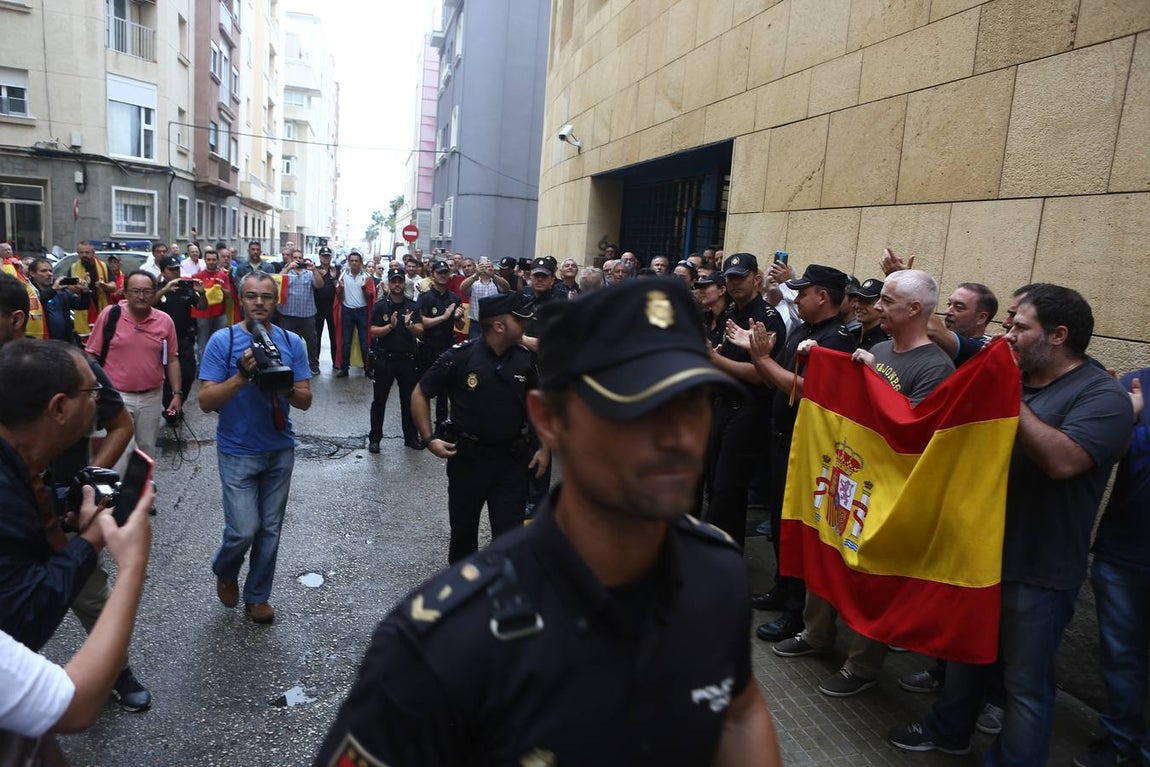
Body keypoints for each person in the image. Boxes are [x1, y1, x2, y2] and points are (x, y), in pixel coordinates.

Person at [313, 278, 781, 767]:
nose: (678, 436)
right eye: (638, 407)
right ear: (551, 420)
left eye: (693, 402)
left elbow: (739, 713)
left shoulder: (716, 572)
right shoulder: (444, 644)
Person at [889, 284, 1132, 763]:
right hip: (981, 555)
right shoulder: (1017, 377)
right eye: (1009, 325)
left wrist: (1006, 399)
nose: (1008, 336)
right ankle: (949, 730)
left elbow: (1064, 461)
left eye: (1020, 327)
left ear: (1059, 335)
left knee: (1025, 685)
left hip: (1039, 570)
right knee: (965, 657)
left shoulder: (1102, 396)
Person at [772, 269, 954, 698]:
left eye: (887, 301)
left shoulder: (935, 367)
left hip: (887, 489)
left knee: (872, 575)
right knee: (827, 547)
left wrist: (874, 375)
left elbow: (913, 429)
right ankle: (816, 633)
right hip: (848, 474)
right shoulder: (878, 347)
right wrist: (821, 361)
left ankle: (862, 665)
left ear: (914, 309)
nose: (872, 307)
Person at [724, 265, 858, 643]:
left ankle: (796, 613)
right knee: (781, 521)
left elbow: (809, 388)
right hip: (783, 438)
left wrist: (763, 360)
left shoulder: (836, 340)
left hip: (811, 448)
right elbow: (776, 379)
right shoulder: (803, 330)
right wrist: (758, 355)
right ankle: (783, 589)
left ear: (823, 297)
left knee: (799, 527)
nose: (796, 298)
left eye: (803, 292)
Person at [0, 481, 152, 762]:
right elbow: (75, 707)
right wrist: (133, 566)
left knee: (94, 599)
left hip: (52, 526)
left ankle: (117, 672)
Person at [198, 272, 312, 624]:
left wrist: (284, 387)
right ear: (241, 300)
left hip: (279, 447)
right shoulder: (223, 340)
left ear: (276, 301)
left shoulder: (292, 342)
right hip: (237, 449)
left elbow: (305, 399)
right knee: (243, 529)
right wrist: (242, 376)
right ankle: (226, 567)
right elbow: (205, 401)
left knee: (270, 529)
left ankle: (258, 596)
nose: (259, 302)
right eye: (251, 296)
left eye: (266, 296)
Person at [411, 292, 547, 563]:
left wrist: (545, 447)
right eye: (519, 321)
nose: (526, 325)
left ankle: (503, 588)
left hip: (512, 464)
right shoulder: (460, 357)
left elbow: (539, 402)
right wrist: (429, 439)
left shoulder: (525, 359)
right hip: (468, 463)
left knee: (509, 542)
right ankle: (464, 587)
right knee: (463, 539)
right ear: (499, 326)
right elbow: (420, 392)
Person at [1075, 367, 1150, 767]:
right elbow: (1097, 454)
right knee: (1121, 654)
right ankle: (1121, 739)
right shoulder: (1135, 384)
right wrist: (1122, 419)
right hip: (1124, 552)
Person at [705, 253, 787, 549]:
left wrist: (715, 359)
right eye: (730, 278)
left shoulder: (767, 317)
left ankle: (720, 559)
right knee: (717, 487)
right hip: (722, 406)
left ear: (756, 278)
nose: (735, 283)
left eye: (741, 277)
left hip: (748, 410)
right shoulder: (731, 313)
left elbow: (762, 375)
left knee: (728, 490)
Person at [84, 271, 182, 474]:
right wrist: (93, 390)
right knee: (119, 454)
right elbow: (91, 355)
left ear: (154, 293)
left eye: (147, 291)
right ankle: (114, 493)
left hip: (151, 398)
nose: (141, 296)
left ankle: (142, 491)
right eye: (135, 291)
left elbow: (172, 359)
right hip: (116, 397)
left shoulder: (165, 321)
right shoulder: (110, 315)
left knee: (145, 453)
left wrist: (176, 394)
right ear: (125, 292)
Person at [367, 267, 423, 453]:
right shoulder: (381, 306)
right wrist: (390, 327)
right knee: (379, 401)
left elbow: (421, 332)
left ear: (404, 283)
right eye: (394, 281)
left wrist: (410, 326)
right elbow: (373, 331)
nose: (397, 284)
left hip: (407, 360)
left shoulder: (413, 306)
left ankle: (411, 437)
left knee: (409, 401)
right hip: (385, 359)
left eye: (400, 281)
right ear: (388, 283)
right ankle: (375, 439)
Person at [153, 255, 207, 412]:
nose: (176, 272)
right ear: (163, 271)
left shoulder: (186, 287)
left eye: (177, 269)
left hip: (184, 339)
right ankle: (170, 410)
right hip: (163, 341)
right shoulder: (158, 288)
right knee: (167, 379)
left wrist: (202, 293)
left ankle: (178, 405)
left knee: (188, 374)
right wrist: (165, 289)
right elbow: (150, 303)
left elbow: (202, 307)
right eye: (172, 270)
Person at [415, 259, 464, 424]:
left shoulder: (454, 298)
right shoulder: (425, 297)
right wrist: (444, 317)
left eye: (445, 273)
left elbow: (460, 325)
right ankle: (424, 427)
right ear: (432, 275)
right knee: (424, 390)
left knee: (444, 391)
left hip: (446, 348)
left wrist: (456, 317)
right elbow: (421, 322)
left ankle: (441, 428)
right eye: (439, 273)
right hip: (427, 347)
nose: (443, 276)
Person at [278, 248, 323, 376]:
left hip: (307, 315)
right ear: (291, 259)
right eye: (295, 258)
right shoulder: (287, 272)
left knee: (312, 342)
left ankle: (314, 366)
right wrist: (287, 268)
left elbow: (320, 285)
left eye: (300, 258)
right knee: (286, 342)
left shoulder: (309, 273)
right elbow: (277, 282)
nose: (297, 260)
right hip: (288, 314)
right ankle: (287, 365)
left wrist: (314, 270)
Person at [27, 256, 87, 342]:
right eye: (44, 271)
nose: (49, 274)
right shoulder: (29, 291)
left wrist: (85, 291)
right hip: (42, 341)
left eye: (50, 271)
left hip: (64, 341)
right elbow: (37, 301)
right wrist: (53, 290)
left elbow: (81, 305)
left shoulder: (61, 290)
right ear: (32, 273)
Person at [334, 249, 373, 378]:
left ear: (361, 262)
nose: (354, 263)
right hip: (348, 311)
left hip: (362, 311)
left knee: (364, 342)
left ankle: (368, 368)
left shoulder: (367, 277)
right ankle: (344, 368)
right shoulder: (343, 275)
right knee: (346, 342)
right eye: (352, 260)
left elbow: (370, 298)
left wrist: (364, 288)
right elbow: (339, 296)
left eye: (356, 260)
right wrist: (340, 288)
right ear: (348, 262)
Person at [191, 248, 233, 361]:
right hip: (203, 315)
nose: (211, 262)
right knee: (203, 343)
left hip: (220, 314)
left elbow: (228, 295)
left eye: (214, 260)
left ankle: (218, 364)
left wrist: (220, 287)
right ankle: (202, 366)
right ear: (204, 260)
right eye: (209, 259)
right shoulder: (197, 276)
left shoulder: (223, 275)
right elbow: (194, 296)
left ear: (217, 260)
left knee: (219, 341)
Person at [460, 257, 509, 340]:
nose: (485, 268)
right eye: (482, 265)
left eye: (488, 266)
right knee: (475, 346)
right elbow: (462, 288)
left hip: (493, 324)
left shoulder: (496, 282)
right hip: (476, 324)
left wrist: (493, 275)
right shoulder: (473, 282)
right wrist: (476, 274)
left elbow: (506, 288)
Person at [313, 246, 340, 367]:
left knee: (334, 336)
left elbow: (340, 289)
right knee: (316, 336)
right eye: (323, 256)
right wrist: (317, 274)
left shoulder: (336, 271)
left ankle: (336, 362)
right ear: (320, 257)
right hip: (317, 307)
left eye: (328, 256)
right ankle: (315, 362)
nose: (326, 258)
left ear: (331, 257)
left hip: (332, 307)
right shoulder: (315, 270)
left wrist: (334, 277)